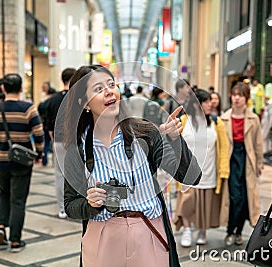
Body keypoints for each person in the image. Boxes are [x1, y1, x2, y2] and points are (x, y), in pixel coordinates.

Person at [60, 65, 202, 267]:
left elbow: (190, 177)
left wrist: (175, 139)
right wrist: (90, 204)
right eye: (98, 89)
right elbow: (70, 205)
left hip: (148, 232)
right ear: (84, 104)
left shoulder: (146, 133)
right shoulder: (78, 149)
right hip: (103, 237)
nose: (109, 91)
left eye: (111, 84)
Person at [0, 73, 44, 252]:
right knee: (18, 200)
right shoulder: (28, 109)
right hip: (21, 162)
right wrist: (39, 153)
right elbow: (39, 134)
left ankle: (0, 226)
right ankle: (15, 240)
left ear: (3, 88)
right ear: (21, 88)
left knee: (4, 193)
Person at [175, 89, 229, 247]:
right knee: (186, 202)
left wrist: (224, 170)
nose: (209, 104)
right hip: (187, 172)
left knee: (205, 203)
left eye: (209, 101)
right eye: (205, 101)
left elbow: (224, 148)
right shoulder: (184, 120)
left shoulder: (216, 123)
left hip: (209, 171)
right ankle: (186, 230)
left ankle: (202, 231)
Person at [220, 82, 263, 246]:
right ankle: (230, 230)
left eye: (241, 95)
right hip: (230, 160)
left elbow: (258, 143)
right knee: (233, 197)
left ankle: (238, 232)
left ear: (246, 98)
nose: (237, 98)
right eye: (234, 94)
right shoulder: (224, 118)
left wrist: (259, 163)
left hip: (247, 159)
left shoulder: (253, 118)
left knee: (245, 197)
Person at [45, 67, 76, 219]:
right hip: (76, 140)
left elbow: (48, 124)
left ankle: (63, 208)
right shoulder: (79, 98)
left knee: (59, 175)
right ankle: (76, 205)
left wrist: (53, 138)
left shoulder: (52, 100)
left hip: (58, 140)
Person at [38, 87, 56, 166]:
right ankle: (53, 161)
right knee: (53, 144)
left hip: (44, 125)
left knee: (45, 143)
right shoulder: (53, 102)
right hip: (52, 125)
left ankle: (44, 161)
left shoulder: (42, 103)